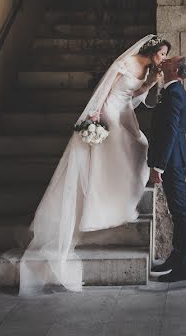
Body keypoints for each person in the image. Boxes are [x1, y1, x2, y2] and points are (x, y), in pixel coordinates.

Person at [19, 34, 170, 294]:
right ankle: (109, 196)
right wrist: (96, 113)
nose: (164, 58)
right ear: (154, 49)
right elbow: (106, 88)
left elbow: (135, 95)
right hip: (111, 109)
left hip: (126, 111)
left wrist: (151, 83)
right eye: (163, 53)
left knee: (141, 145)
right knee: (131, 146)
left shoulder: (148, 69)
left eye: (166, 55)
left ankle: (121, 193)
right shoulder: (127, 62)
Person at [146, 55, 186, 282]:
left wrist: (159, 166)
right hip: (173, 158)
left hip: (173, 160)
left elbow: (171, 133)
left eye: (168, 61)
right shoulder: (171, 91)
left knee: (181, 212)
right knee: (177, 212)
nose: (163, 62)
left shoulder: (175, 94)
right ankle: (177, 257)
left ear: (175, 70)